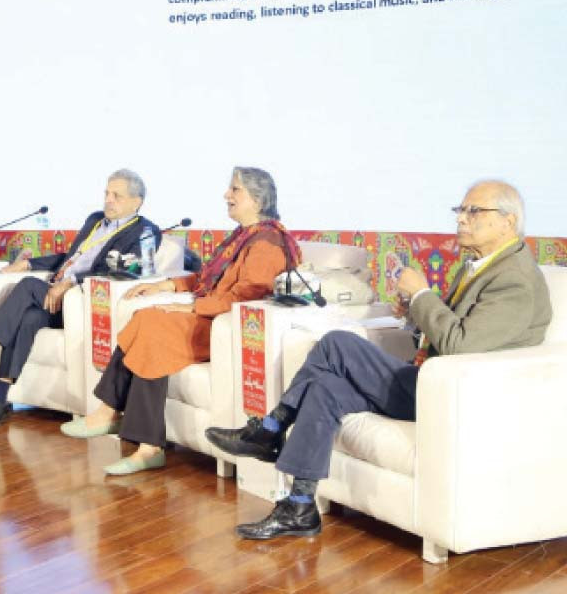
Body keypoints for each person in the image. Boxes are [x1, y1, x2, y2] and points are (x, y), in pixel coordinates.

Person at [205, 180, 552, 540]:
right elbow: (449, 331)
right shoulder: (478, 266)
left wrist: (421, 293)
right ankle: (299, 505)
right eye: (460, 210)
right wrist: (415, 314)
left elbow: (461, 345)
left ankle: (270, 429)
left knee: (337, 343)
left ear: (508, 222)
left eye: (473, 211)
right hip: (432, 382)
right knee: (325, 387)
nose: (462, 219)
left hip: (458, 398)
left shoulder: (515, 281)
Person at [61, 167, 301, 475]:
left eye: (235, 190)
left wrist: (191, 308)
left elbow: (247, 296)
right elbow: (206, 278)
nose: (226, 195)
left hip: (223, 325)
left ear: (257, 198)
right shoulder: (243, 236)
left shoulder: (267, 242)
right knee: (145, 316)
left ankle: (139, 438)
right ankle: (119, 422)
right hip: (209, 313)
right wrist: (167, 286)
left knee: (154, 328)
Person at [0, 169, 161, 427]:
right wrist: (27, 264)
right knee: (27, 318)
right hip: (54, 292)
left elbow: (123, 272)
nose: (108, 200)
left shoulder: (145, 232)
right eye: (106, 193)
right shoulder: (95, 220)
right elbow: (70, 256)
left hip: (84, 301)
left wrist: (70, 283)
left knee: (27, 287)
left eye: (117, 195)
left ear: (137, 201)